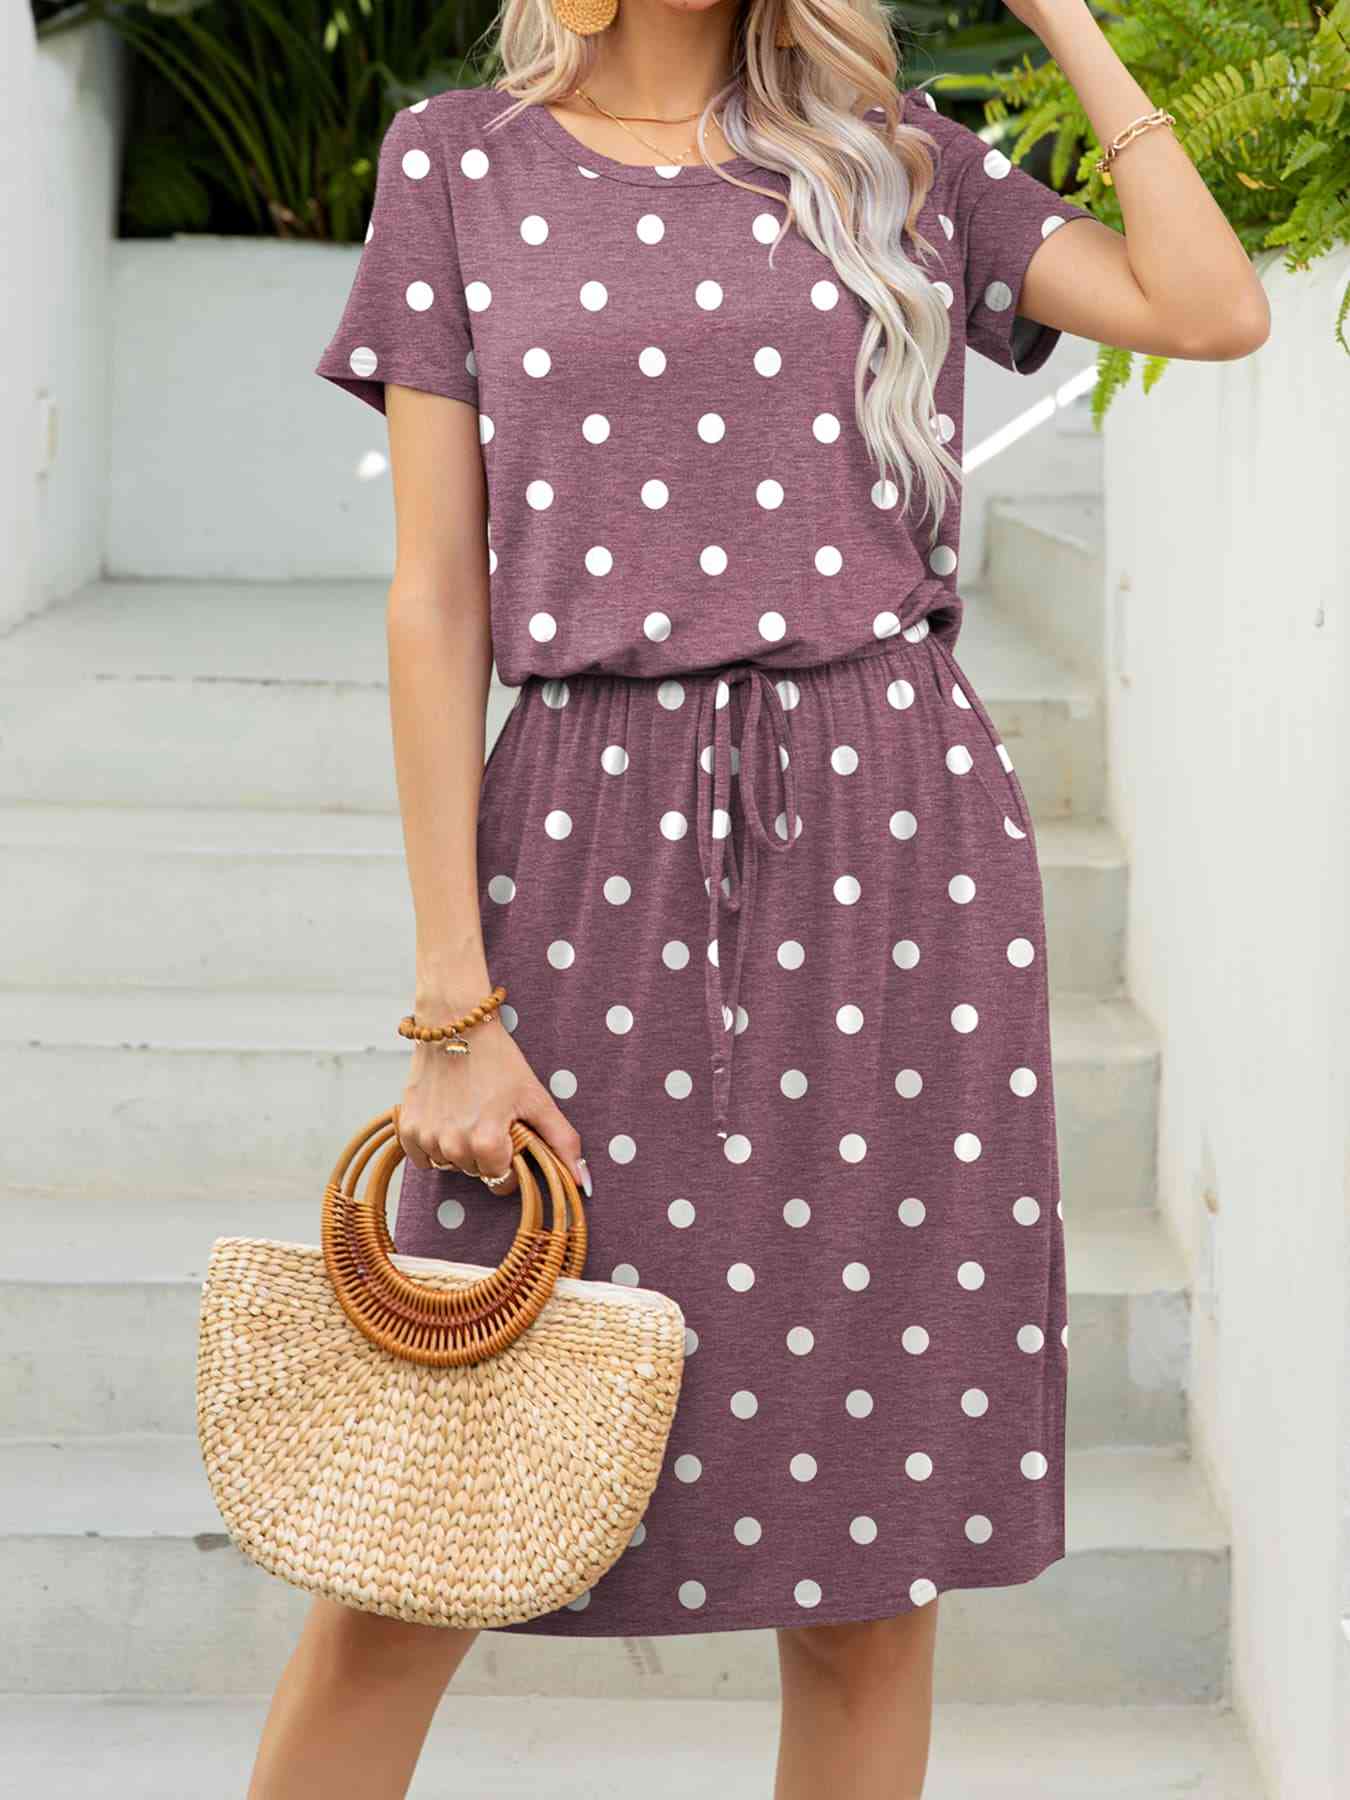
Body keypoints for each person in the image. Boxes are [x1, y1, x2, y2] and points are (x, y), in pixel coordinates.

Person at [251, 1, 1268, 1794]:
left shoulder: (898, 161)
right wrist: (450, 1003)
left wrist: (1071, 25)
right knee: (422, 1520)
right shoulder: (455, 161)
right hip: (577, 854)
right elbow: (434, 599)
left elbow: (1210, 309)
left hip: (899, 867)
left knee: (872, 1576)